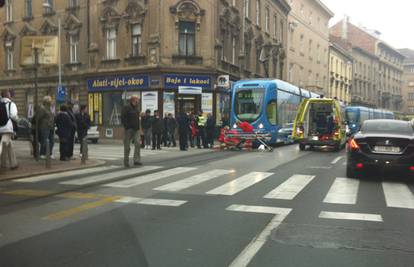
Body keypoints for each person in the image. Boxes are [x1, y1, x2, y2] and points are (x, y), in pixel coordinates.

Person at [121, 95, 141, 167]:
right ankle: (126, 161)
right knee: (127, 146)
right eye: (137, 100)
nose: (138, 101)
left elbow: (137, 118)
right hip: (129, 129)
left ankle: (136, 160)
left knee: (138, 143)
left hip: (136, 129)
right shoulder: (126, 107)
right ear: (133, 100)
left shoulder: (136, 108)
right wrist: (127, 127)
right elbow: (123, 117)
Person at [0, 90, 18, 169]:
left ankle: (12, 164)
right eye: (10, 95)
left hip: (0, 128)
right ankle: (10, 164)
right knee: (2, 144)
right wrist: (17, 119)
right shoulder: (11, 104)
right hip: (7, 128)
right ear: (8, 96)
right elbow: (13, 115)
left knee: (9, 145)